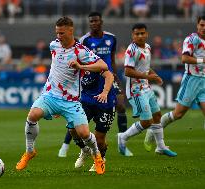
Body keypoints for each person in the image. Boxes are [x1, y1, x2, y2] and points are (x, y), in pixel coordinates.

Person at [16, 16, 110, 175]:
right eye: (57, 33)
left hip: (71, 101)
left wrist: (80, 66)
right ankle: (30, 151)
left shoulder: (80, 51)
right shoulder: (54, 45)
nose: (58, 36)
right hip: (50, 96)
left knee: (84, 134)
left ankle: (97, 157)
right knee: (33, 115)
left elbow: (103, 65)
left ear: (71, 31)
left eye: (62, 33)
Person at [58, 12, 128, 159]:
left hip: (108, 77)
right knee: (77, 121)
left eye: (96, 20)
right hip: (90, 80)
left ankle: (123, 142)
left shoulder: (111, 38)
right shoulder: (84, 40)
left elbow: (112, 60)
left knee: (121, 105)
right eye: (91, 21)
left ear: (101, 21)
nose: (94, 23)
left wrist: (116, 78)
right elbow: (79, 60)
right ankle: (68, 145)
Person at [144, 16, 205, 150]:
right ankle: (152, 130)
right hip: (192, 79)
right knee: (178, 114)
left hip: (204, 81)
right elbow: (184, 58)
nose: (203, 28)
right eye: (201, 25)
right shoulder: (192, 39)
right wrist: (202, 61)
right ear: (197, 25)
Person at [117, 23, 177, 157]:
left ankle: (161, 147)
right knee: (147, 122)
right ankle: (123, 137)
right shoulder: (131, 50)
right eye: (137, 34)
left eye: (142, 33)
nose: (140, 36)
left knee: (157, 116)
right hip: (135, 90)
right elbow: (127, 71)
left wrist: (155, 75)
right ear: (133, 36)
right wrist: (147, 76)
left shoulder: (148, 47)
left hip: (146, 87)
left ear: (146, 34)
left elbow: (145, 67)